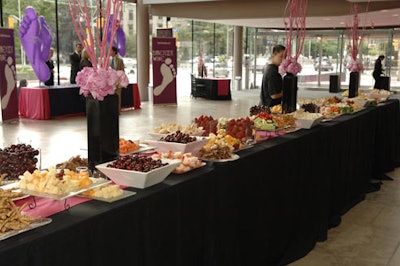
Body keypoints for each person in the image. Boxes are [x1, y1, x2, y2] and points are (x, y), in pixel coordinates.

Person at [110, 46, 125, 113]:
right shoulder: (108, 60)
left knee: (118, 96)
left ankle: (117, 111)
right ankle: (112, 110)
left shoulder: (120, 60)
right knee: (111, 96)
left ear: (114, 52)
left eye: (111, 51)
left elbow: (122, 70)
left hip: (118, 82)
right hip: (110, 82)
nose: (109, 52)